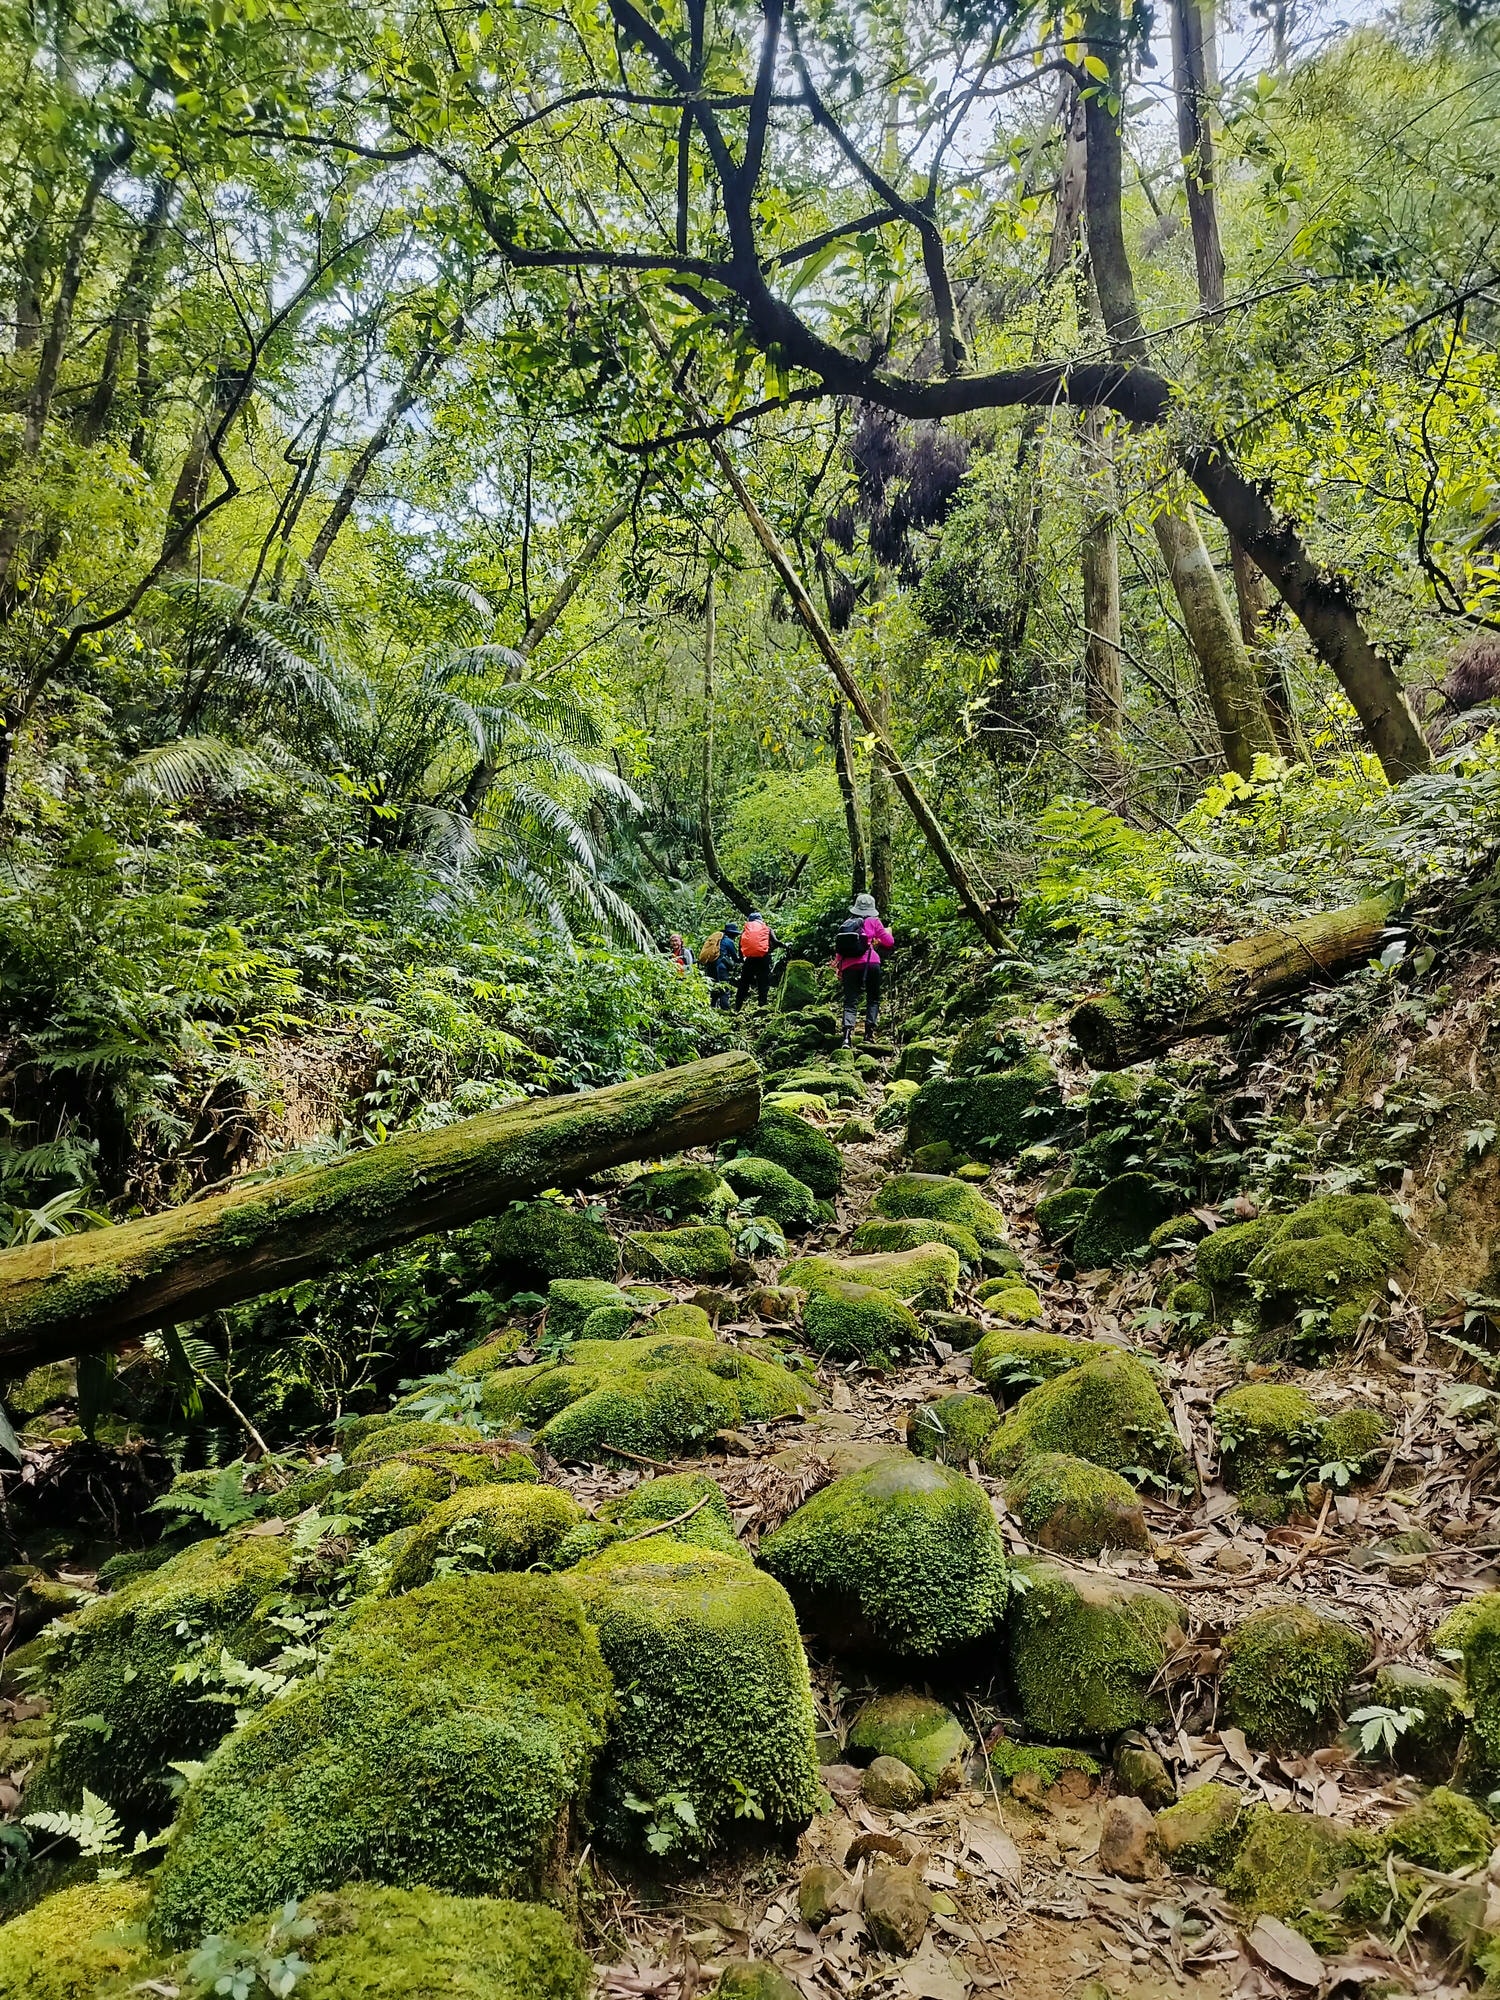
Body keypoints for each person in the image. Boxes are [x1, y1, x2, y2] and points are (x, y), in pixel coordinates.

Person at [832, 892, 894, 1046]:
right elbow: (889, 942)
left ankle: (847, 1037)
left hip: (849, 966)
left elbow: (840, 950)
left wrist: (839, 968)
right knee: (873, 998)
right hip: (871, 963)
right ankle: (869, 1035)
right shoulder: (874, 921)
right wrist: (883, 935)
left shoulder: (847, 924)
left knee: (850, 1001)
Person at [735, 909, 778, 1011]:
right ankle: (762, 1006)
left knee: (744, 983)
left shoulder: (745, 931)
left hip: (749, 959)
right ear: (761, 920)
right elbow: (775, 942)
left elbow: (740, 946)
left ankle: (737, 1007)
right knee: (763, 982)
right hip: (763, 958)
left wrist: (741, 959)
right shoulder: (767, 929)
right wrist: (771, 949)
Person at [710, 920, 740, 1009]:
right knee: (724, 987)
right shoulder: (729, 941)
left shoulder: (718, 940)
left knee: (714, 987)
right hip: (721, 967)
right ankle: (725, 1009)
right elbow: (735, 957)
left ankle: (712, 1007)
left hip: (711, 966)